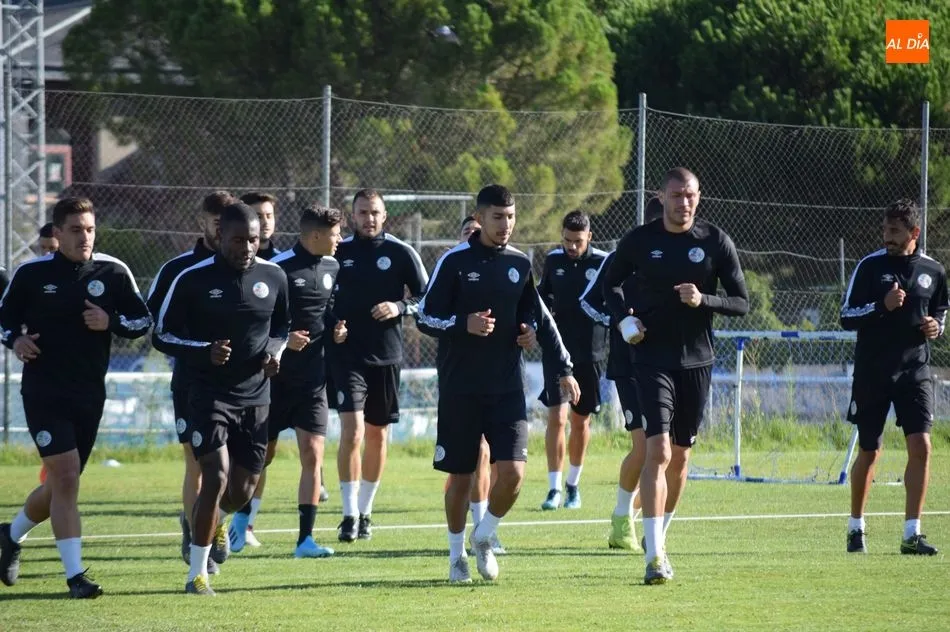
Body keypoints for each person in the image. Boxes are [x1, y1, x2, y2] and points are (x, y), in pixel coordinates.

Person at [417, 183, 579, 583]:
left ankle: (484, 534)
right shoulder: (454, 262)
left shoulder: (520, 263)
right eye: (497, 218)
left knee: (514, 475)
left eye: (510, 218)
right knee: (461, 477)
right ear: (480, 217)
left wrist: (542, 347)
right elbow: (424, 316)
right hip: (460, 389)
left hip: (507, 387)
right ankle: (457, 557)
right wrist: (462, 324)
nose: (505, 225)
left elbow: (537, 317)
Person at [0, 197, 152, 598]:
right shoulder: (31, 275)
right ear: (57, 232)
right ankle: (75, 577)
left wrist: (110, 322)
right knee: (65, 478)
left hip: (89, 394)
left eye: (89, 229)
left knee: (60, 486)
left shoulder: (113, 271)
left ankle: (9, 535)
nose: (85, 236)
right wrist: (15, 339)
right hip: (43, 391)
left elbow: (142, 319)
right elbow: (4, 317)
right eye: (75, 229)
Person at [603, 168, 749, 584]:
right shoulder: (639, 241)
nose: (682, 203)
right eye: (675, 195)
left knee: (681, 456)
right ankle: (652, 557)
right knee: (659, 451)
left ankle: (660, 541)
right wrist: (624, 321)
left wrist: (704, 299)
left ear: (698, 198)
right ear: (661, 197)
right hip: (650, 358)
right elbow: (608, 287)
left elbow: (741, 302)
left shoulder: (715, 241)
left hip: (698, 362)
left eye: (689, 196)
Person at [152, 202, 289, 595]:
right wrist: (203, 350)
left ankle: (210, 521)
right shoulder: (192, 279)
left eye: (253, 240)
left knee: (244, 488)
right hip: (207, 393)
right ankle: (198, 573)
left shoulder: (273, 276)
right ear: (220, 238)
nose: (247, 247)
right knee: (216, 474)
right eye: (238, 240)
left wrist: (275, 355)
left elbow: (281, 326)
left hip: (256, 395)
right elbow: (162, 334)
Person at [840, 198, 946, 556]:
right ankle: (856, 528)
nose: (887, 236)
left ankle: (911, 533)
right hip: (873, 370)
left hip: (915, 370)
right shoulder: (870, 267)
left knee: (922, 446)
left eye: (895, 231)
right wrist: (880, 306)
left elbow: (940, 311)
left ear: (914, 233)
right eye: (885, 229)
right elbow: (846, 315)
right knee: (870, 450)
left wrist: (937, 326)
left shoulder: (934, 270)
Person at [245, 204, 347, 559]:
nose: (339, 240)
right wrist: (285, 341)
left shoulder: (334, 266)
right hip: (274, 381)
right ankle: (241, 523)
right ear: (316, 235)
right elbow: (259, 322)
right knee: (261, 456)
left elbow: (329, 310)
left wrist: (337, 328)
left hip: (314, 382)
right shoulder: (279, 269)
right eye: (335, 234)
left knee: (313, 454)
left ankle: (305, 541)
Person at [330, 189, 429, 542]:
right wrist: (333, 327)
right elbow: (320, 297)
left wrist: (399, 307)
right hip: (347, 356)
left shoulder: (401, 253)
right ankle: (348, 514)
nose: (369, 218)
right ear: (352, 215)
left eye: (375, 212)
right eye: (362, 212)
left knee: (377, 435)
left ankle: (366, 511)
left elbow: (426, 298)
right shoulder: (337, 251)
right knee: (352, 432)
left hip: (386, 356)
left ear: (385, 216)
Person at [146, 191, 231, 573]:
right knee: (197, 463)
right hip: (191, 383)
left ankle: (217, 521)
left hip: (239, 387)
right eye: (214, 220)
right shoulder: (177, 269)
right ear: (202, 221)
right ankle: (195, 531)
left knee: (237, 467)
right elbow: (154, 321)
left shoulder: (249, 265)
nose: (218, 227)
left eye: (224, 220)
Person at [536, 211, 608, 510]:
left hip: (590, 354)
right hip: (557, 352)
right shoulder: (554, 261)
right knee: (557, 418)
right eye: (566, 240)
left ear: (589, 237)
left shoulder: (603, 262)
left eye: (577, 241)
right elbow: (543, 297)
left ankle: (573, 486)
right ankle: (553, 489)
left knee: (580, 421)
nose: (571, 246)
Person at [579, 249, 643, 551]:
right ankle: (622, 519)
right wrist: (618, 320)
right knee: (645, 448)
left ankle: (634, 514)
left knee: (671, 455)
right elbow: (588, 301)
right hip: (629, 366)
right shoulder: (620, 256)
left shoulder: (687, 254)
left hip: (673, 364)